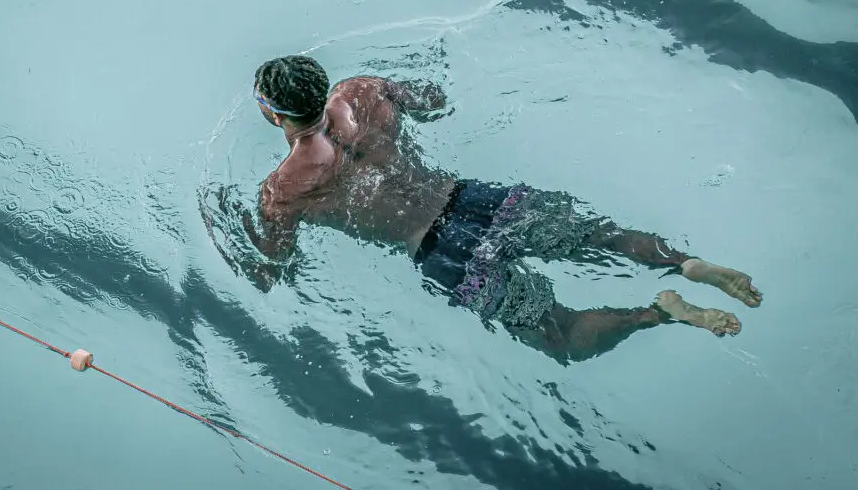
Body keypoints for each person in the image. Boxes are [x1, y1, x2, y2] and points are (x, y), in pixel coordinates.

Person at [238, 54, 762, 363]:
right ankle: (683, 263)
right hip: (471, 198)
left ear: (271, 113)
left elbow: (276, 264)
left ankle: (659, 313)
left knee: (560, 337)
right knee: (600, 237)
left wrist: (243, 237)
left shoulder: (284, 189)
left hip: (441, 252)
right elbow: (434, 99)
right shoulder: (364, 90)